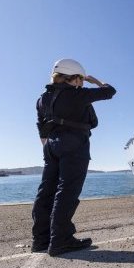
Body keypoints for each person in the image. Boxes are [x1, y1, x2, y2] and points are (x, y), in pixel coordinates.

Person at [32, 59, 116, 256]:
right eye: (81, 79)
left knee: (46, 191)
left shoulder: (42, 98)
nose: (82, 83)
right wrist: (96, 81)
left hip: (51, 146)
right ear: (75, 77)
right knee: (67, 191)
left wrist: (48, 144)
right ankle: (60, 240)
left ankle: (40, 240)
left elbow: (40, 125)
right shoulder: (77, 95)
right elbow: (110, 91)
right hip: (74, 144)